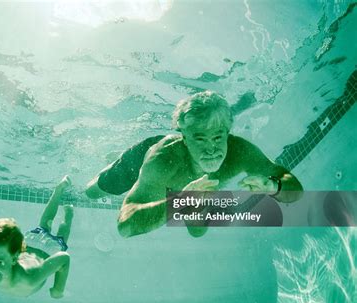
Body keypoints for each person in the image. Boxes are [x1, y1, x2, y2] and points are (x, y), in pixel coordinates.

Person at [86, 91, 303, 237]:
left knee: (198, 231)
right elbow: (125, 226)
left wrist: (274, 186)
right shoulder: (162, 161)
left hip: (179, 185)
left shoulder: (240, 151)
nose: (211, 149)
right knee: (94, 191)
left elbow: (294, 190)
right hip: (141, 159)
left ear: (228, 133)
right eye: (200, 139)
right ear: (184, 137)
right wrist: (178, 202)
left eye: (218, 137)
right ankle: (115, 160)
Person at [0, 176, 74, 298]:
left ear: (13, 259)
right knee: (45, 224)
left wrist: (58, 289)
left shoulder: (29, 279)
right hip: (30, 242)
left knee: (61, 235)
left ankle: (69, 211)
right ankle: (58, 191)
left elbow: (64, 258)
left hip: (48, 250)